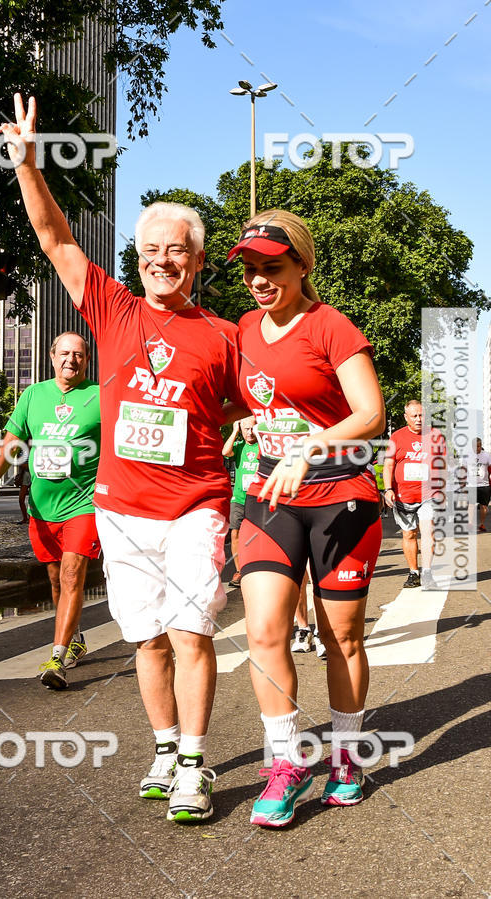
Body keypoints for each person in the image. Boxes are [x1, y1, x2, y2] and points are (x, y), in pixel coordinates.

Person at [0, 94, 246, 823]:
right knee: (146, 637)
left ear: (197, 260)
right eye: (150, 251)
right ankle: (164, 748)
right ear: (137, 261)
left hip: (196, 504)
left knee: (191, 629)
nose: (162, 261)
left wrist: (203, 422)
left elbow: (247, 402)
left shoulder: (225, 335)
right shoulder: (113, 308)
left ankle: (195, 763)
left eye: (176, 250)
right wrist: (28, 165)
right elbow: (54, 239)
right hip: (121, 508)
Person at [228, 210, 385, 827]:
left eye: (272, 267)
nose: (259, 280)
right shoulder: (244, 328)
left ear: (301, 265)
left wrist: (311, 447)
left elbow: (370, 414)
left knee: (341, 636)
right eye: (250, 269)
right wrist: (234, 418)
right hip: (270, 497)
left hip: (341, 496)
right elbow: (246, 398)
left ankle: (346, 755)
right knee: (265, 631)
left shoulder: (330, 326)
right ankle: (287, 763)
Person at [0, 332, 102, 689]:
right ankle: (74, 637)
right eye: (64, 353)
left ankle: (57, 657)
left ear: (87, 360)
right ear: (52, 357)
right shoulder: (33, 395)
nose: (71, 359)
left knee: (72, 574)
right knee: (55, 579)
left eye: (78, 354)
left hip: (84, 503)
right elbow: (12, 441)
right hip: (42, 506)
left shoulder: (100, 396)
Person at [383, 400, 445, 590]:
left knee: (428, 531)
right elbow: (388, 465)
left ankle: (427, 573)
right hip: (404, 495)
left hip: (429, 494)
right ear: (406, 417)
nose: (418, 419)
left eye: (421, 415)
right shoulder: (396, 437)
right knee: (409, 533)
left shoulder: (435, 436)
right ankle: (413, 573)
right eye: (414, 416)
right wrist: (388, 489)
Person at [222, 416, 259, 587]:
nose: (249, 433)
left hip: (258, 498)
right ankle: (239, 571)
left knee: (258, 534)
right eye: (246, 429)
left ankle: (257, 567)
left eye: (252, 428)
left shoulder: (262, 446)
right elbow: (225, 452)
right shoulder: (239, 446)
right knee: (235, 533)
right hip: (239, 497)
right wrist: (235, 431)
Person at [466, 437, 491, 531]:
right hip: (471, 485)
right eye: (475, 446)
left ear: (481, 445)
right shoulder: (467, 455)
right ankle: (470, 524)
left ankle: (482, 524)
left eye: (479, 446)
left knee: (483, 506)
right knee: (471, 505)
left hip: (484, 485)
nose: (477, 448)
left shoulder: (487, 455)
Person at [14, 456, 31, 523]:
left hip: (33, 475)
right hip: (25, 475)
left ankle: (30, 518)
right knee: (21, 499)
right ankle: (25, 518)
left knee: (32, 500)